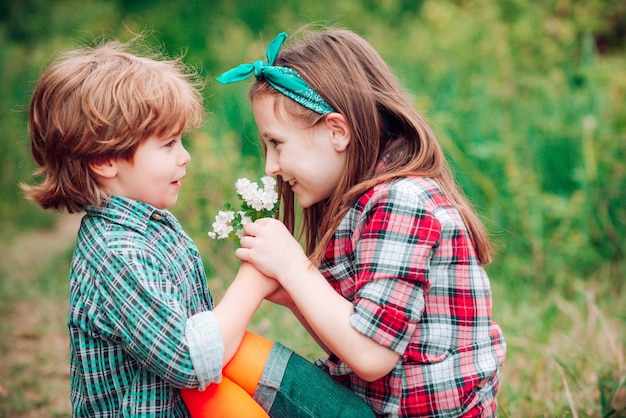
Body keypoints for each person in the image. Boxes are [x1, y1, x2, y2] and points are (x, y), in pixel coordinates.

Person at [22, 38, 375, 418]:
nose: (185, 155)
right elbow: (190, 360)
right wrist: (254, 278)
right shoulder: (117, 252)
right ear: (106, 160)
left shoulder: (153, 226)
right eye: (169, 143)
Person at [218, 29, 507, 417]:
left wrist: (293, 268)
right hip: (378, 405)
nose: (270, 166)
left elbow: (371, 355)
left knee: (234, 363)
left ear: (336, 132)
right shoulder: (364, 203)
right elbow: (352, 335)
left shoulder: (401, 202)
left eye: (277, 143)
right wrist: (292, 292)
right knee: (237, 362)